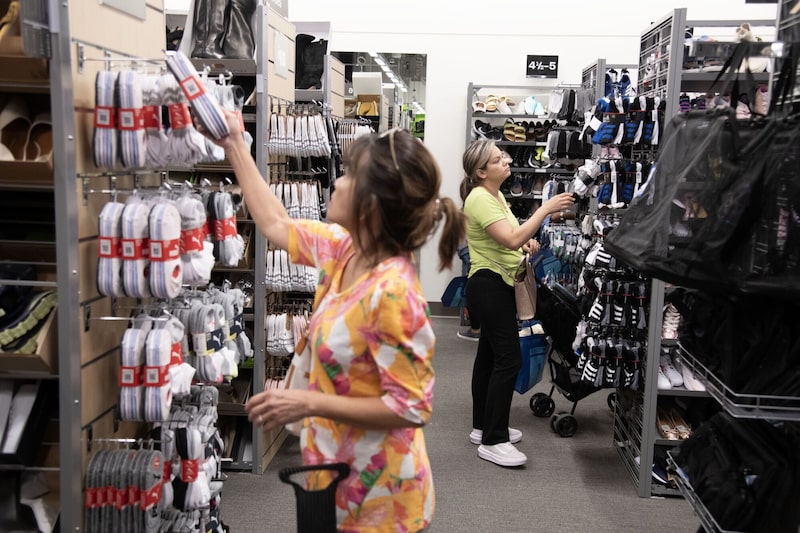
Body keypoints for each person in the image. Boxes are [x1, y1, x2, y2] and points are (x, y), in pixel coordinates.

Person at [201, 110, 465, 532]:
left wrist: (308, 402)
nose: (337, 182)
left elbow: (411, 407)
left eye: (348, 175)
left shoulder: (394, 293)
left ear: (371, 203)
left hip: (382, 498)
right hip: (332, 472)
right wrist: (234, 142)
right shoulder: (343, 249)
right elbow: (275, 223)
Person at [460, 138, 574, 467]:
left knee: (490, 357)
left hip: (497, 283)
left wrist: (525, 246)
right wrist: (545, 209)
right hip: (489, 285)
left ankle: (483, 428)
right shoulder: (480, 198)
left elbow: (510, 238)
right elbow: (511, 237)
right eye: (498, 159)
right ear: (482, 172)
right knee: (508, 360)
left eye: (504, 156)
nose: (507, 160)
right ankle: (493, 441)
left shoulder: (494, 196)